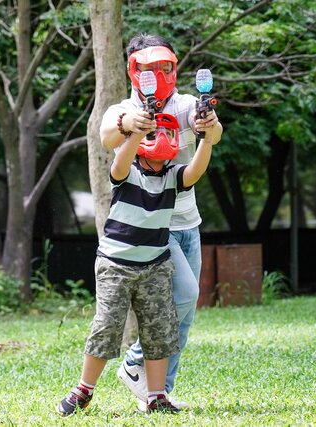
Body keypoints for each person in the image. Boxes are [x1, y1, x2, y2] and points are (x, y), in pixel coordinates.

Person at [56, 110, 220, 416]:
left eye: (164, 134)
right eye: (152, 134)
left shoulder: (173, 176)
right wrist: (135, 131)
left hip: (156, 266)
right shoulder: (127, 172)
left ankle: (156, 396)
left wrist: (206, 138)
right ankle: (83, 390)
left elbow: (196, 170)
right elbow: (118, 163)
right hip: (115, 265)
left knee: (160, 330)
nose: (159, 139)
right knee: (106, 326)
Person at [100, 33, 223, 411]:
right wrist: (129, 123)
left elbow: (214, 134)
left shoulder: (187, 105)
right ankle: (136, 363)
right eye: (148, 67)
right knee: (184, 296)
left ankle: (158, 393)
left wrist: (210, 125)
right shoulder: (123, 108)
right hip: (154, 227)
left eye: (163, 66)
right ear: (133, 70)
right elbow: (106, 137)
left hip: (189, 222)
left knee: (185, 310)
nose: (157, 73)